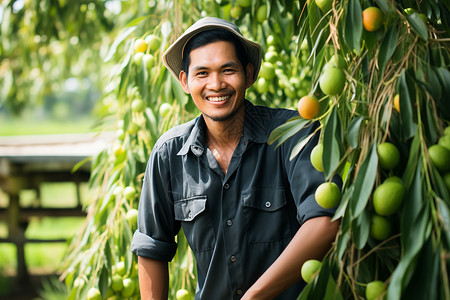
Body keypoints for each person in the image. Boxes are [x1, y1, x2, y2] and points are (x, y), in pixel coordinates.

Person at [130, 17, 340, 300]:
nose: (216, 84)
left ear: (249, 74)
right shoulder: (170, 153)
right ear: (185, 81)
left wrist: (254, 296)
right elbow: (152, 246)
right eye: (202, 73)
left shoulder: (293, 135)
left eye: (228, 70)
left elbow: (325, 220)